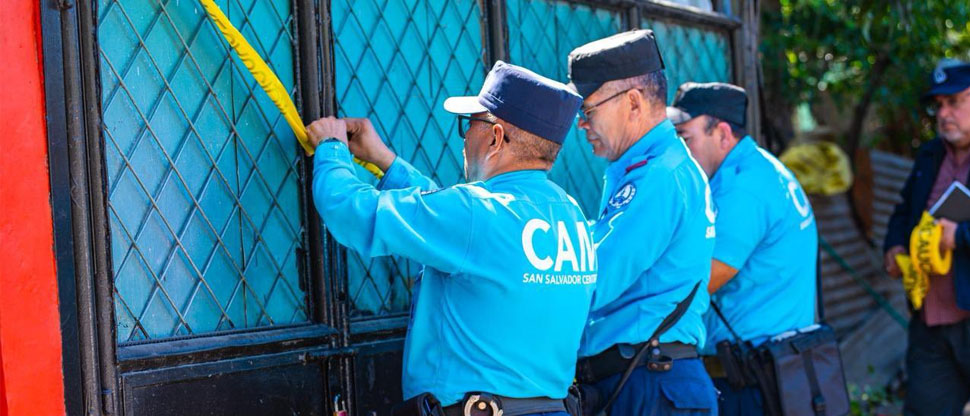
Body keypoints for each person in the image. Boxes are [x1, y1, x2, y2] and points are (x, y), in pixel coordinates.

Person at [307, 61, 594, 416]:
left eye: (470, 124)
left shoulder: (476, 214)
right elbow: (461, 234)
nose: (464, 138)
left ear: (496, 136)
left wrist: (332, 148)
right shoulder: (570, 214)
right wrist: (386, 162)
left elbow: (350, 211)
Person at [566, 29, 718, 414]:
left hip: (652, 384)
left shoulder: (658, 177)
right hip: (649, 378)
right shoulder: (649, 168)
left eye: (588, 110)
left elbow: (593, 280)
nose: (581, 125)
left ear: (632, 102)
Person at [669, 82, 818, 416]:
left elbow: (700, 281)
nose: (678, 151)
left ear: (722, 133)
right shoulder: (762, 169)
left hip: (751, 379)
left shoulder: (743, 187)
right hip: (774, 367)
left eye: (685, 137)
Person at [884, 59, 970, 416]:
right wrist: (894, 245)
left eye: (955, 102)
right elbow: (904, 209)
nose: (944, 113)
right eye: (939, 105)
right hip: (930, 320)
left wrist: (962, 235)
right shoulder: (931, 154)